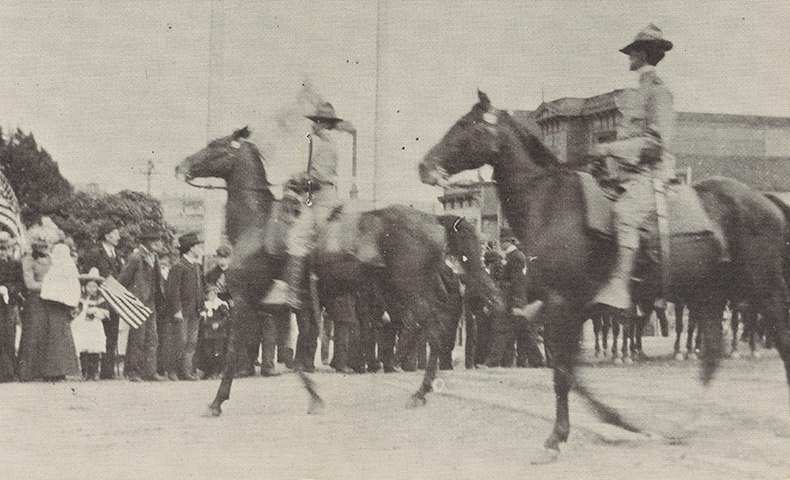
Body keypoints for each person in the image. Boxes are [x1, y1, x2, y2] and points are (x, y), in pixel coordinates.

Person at [591, 23, 675, 313]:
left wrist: (609, 149)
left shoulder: (658, 92)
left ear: (643, 54)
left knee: (623, 214)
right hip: (626, 177)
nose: (629, 57)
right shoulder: (636, 92)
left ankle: (620, 286)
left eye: (633, 52)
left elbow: (655, 143)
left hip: (651, 176)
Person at [262, 101, 354, 309]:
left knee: (296, 237)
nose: (313, 126)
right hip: (319, 196)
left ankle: (291, 292)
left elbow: (319, 176)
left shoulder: (327, 146)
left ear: (324, 124)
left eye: (316, 123)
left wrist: (298, 178)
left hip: (324, 199)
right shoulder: (324, 143)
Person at [17, 220, 82, 382]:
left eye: (46, 244)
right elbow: (29, 284)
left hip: (54, 300)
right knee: (35, 334)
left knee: (55, 336)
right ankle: (30, 372)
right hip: (36, 301)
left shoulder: (54, 258)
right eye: (40, 244)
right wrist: (51, 286)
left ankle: (55, 371)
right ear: (34, 244)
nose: (44, 247)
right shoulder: (28, 259)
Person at [120, 225, 166, 382]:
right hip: (138, 303)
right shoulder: (136, 257)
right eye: (156, 241)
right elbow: (123, 280)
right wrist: (131, 300)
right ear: (147, 242)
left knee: (152, 338)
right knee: (137, 338)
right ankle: (133, 371)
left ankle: (150, 371)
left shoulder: (154, 257)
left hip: (151, 303)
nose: (159, 243)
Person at [80, 220, 123, 379]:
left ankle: (108, 370)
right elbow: (88, 276)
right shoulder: (95, 253)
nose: (118, 237)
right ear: (106, 236)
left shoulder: (116, 254)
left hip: (114, 299)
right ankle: (91, 371)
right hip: (99, 299)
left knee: (112, 335)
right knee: (97, 334)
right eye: (115, 234)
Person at [164, 233, 204, 381]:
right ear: (190, 248)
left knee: (191, 342)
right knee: (179, 342)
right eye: (197, 246)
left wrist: (202, 307)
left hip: (195, 311)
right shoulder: (178, 266)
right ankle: (173, 371)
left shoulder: (196, 266)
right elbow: (172, 291)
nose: (199, 248)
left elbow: (200, 288)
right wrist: (177, 310)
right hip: (182, 311)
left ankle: (186, 372)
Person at [71, 268, 109, 381]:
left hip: (95, 326)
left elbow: (105, 313)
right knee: (84, 349)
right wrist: (79, 312)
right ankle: (85, 372)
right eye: (90, 286)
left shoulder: (100, 298)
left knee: (94, 349)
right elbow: (77, 310)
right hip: (84, 326)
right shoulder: (82, 298)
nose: (92, 289)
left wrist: (96, 311)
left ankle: (93, 373)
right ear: (85, 287)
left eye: (94, 286)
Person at [0, 232, 24, 382]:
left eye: (6, 248)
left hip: (10, 304)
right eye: (1, 248)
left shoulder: (15, 264)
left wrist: (10, 289)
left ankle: (9, 372)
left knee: (9, 336)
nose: (3, 252)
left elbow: (21, 283)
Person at [198, 285, 230, 379]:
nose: (213, 295)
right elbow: (202, 319)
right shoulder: (204, 305)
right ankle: (208, 372)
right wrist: (206, 322)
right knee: (208, 353)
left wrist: (219, 324)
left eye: (215, 293)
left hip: (219, 333)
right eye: (210, 294)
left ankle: (217, 371)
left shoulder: (220, 304)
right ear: (206, 295)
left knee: (218, 352)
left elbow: (226, 317)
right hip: (208, 333)